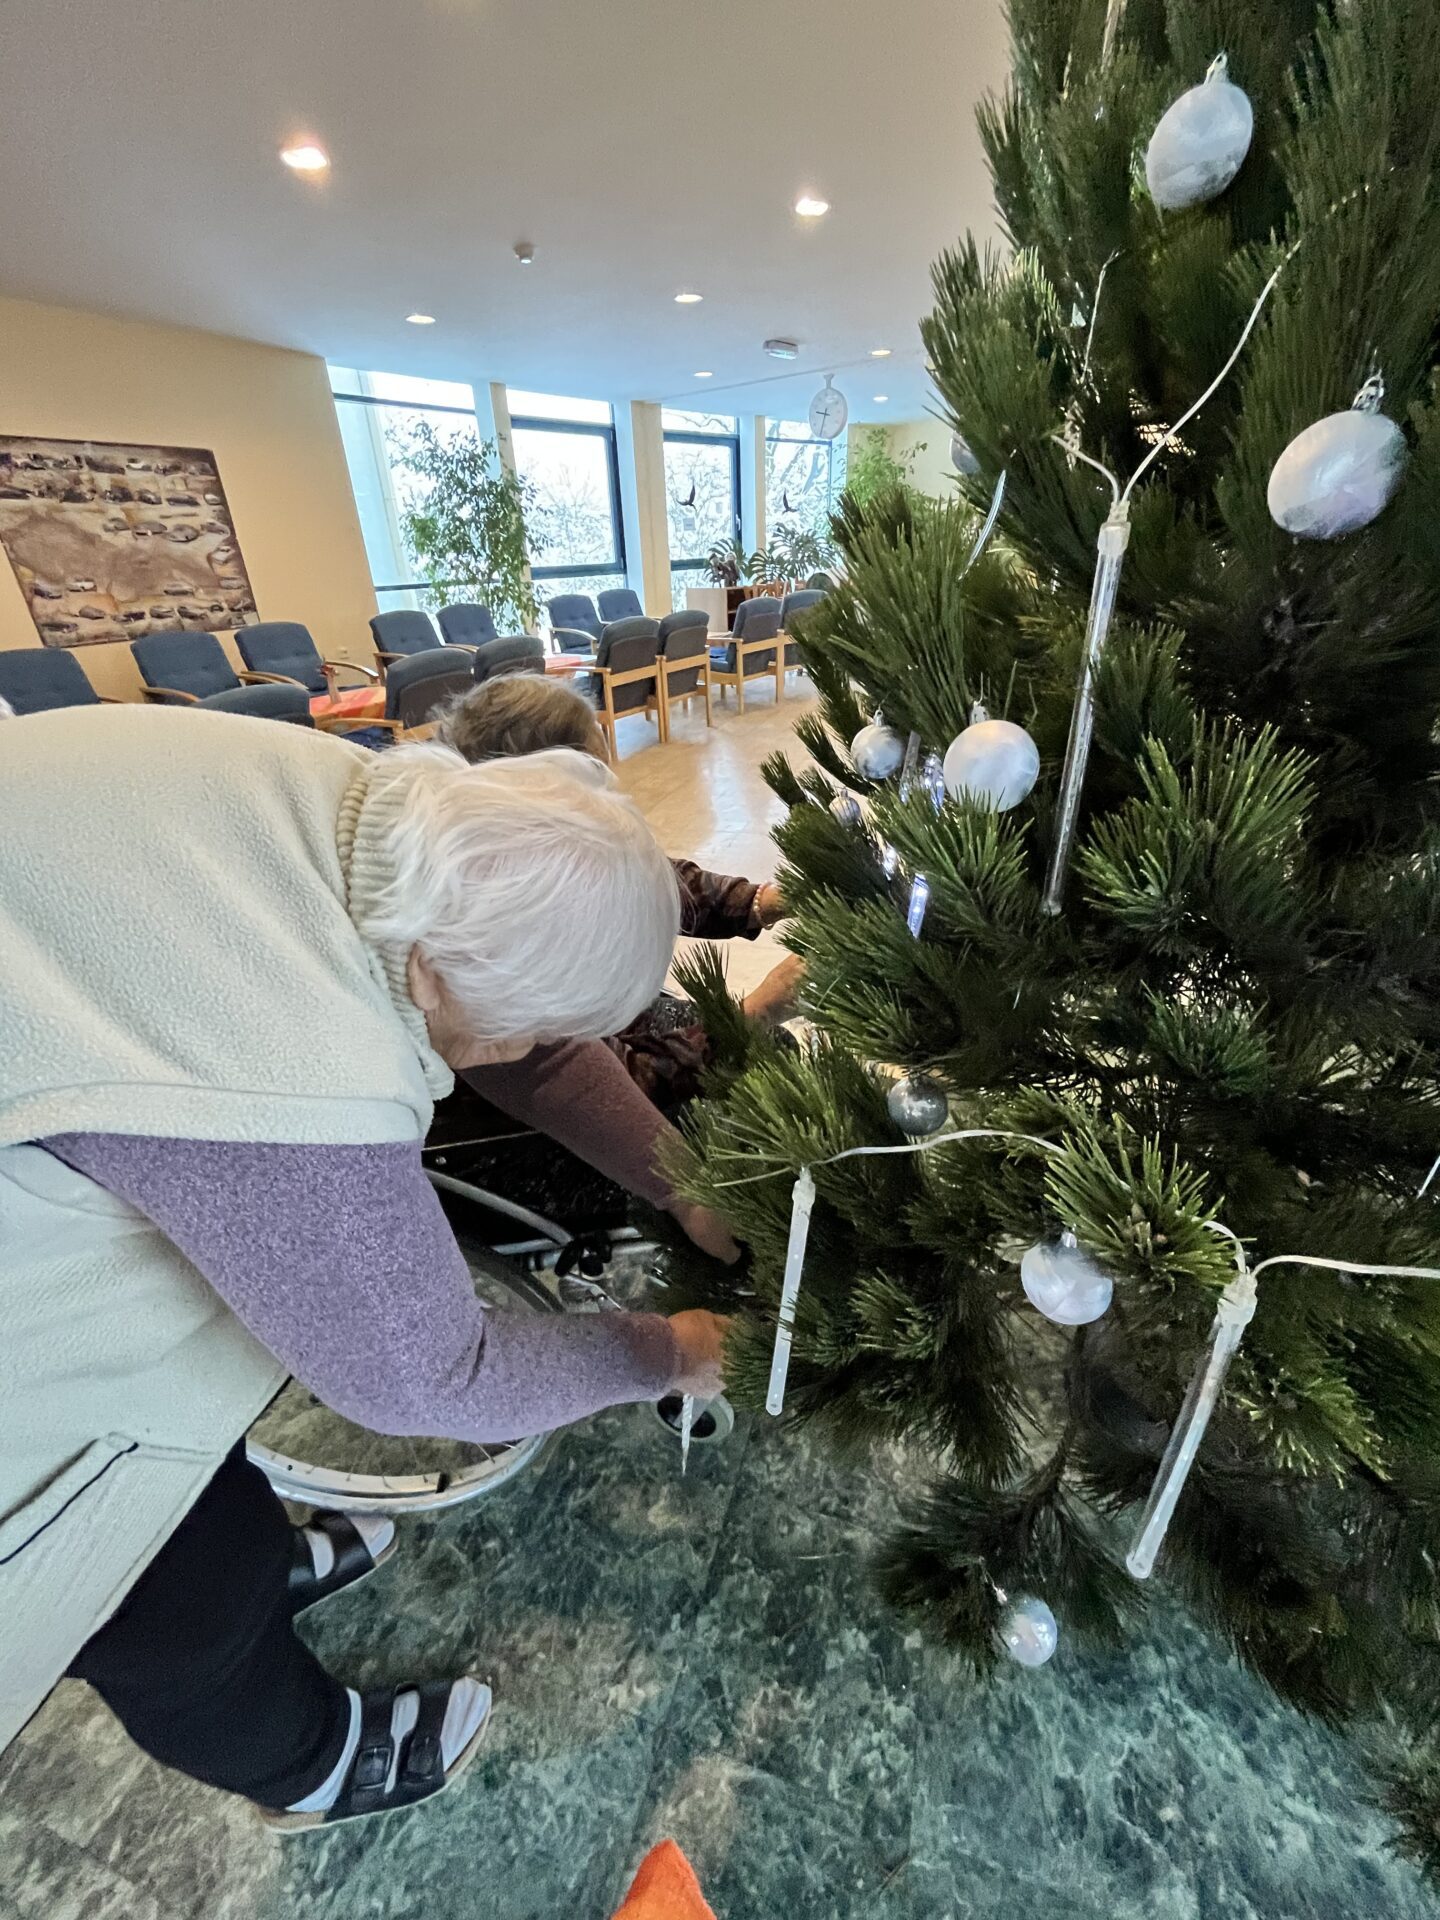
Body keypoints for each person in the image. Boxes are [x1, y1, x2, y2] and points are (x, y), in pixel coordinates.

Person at [0, 703, 731, 1827]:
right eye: (522, 1024)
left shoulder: (393, 820)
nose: (522, 1049)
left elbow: (525, 1048)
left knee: (202, 1470)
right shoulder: (291, 1070)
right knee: (145, 1579)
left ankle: (258, 1561)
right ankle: (309, 1763)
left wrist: (678, 1179)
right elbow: (425, 1375)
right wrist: (668, 1351)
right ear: (437, 975)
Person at [439, 674, 804, 1119]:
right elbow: (623, 1088)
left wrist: (765, 900)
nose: (612, 791)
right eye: (594, 778)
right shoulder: (494, 943)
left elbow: (648, 878)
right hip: (541, 1119)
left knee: (772, 1049)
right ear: (536, 790)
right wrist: (758, 1009)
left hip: (601, 1032)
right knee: (761, 1066)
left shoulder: (530, 850)